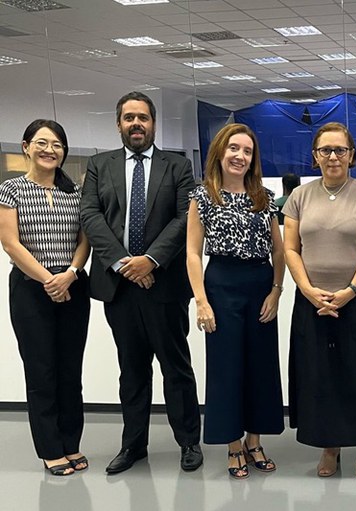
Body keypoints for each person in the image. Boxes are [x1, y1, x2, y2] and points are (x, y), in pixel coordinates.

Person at [80, 91, 203, 474]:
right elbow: (90, 214)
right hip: (119, 288)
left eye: (143, 118)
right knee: (131, 370)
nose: (137, 124)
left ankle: (188, 443)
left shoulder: (178, 166)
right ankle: (134, 445)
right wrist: (123, 263)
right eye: (129, 118)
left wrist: (150, 261)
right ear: (118, 124)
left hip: (164, 285)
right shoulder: (100, 165)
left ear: (153, 123)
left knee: (175, 367)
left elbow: (185, 218)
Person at [283, 121, 356, 480]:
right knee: (320, 376)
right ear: (315, 156)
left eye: (340, 150)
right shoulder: (299, 198)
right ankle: (329, 446)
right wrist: (307, 290)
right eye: (326, 150)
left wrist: (349, 291)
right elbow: (290, 248)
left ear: (352, 156)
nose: (333, 156)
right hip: (312, 300)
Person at [187, 123, 286, 479]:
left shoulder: (264, 197)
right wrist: (201, 300)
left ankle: (254, 441)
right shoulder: (203, 196)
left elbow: (278, 249)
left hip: (259, 286)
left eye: (247, 151)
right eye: (234, 149)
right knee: (226, 369)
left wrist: (276, 290)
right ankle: (232, 444)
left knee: (260, 367)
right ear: (220, 152)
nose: (240, 156)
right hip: (221, 286)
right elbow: (193, 253)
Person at [0, 120, 90, 476]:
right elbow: (10, 242)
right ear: (26, 147)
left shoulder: (76, 192)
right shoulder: (11, 190)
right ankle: (51, 449)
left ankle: (71, 443)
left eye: (56, 144)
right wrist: (48, 279)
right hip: (30, 288)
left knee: (70, 370)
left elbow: (85, 240)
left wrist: (70, 273)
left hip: (73, 284)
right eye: (42, 143)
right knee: (41, 371)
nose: (49, 150)